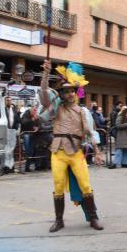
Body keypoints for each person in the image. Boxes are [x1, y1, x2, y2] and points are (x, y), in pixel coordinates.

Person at [39, 60, 104, 232]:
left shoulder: (83, 112)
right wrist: (46, 73)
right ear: (61, 94)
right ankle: (59, 220)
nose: (69, 94)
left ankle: (93, 218)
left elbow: (91, 133)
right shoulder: (55, 108)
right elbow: (44, 95)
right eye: (66, 91)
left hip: (76, 152)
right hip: (58, 151)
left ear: (76, 93)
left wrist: (97, 152)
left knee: (85, 185)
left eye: (71, 91)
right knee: (58, 185)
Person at [0, 96, 20, 175]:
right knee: (4, 151)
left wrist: (17, 128)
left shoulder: (14, 109)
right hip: (4, 132)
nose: (9, 102)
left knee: (11, 150)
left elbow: (17, 120)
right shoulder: (2, 110)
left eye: (10, 100)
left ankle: (11, 167)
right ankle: (4, 168)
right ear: (4, 102)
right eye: (7, 100)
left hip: (12, 131)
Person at [20, 104, 40, 172]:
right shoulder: (26, 114)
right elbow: (23, 122)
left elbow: (38, 124)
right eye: (34, 110)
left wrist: (37, 127)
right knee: (28, 149)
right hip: (25, 133)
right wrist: (32, 119)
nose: (35, 112)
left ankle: (31, 166)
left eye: (36, 110)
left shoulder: (35, 115)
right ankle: (27, 166)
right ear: (31, 110)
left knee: (33, 149)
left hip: (32, 134)